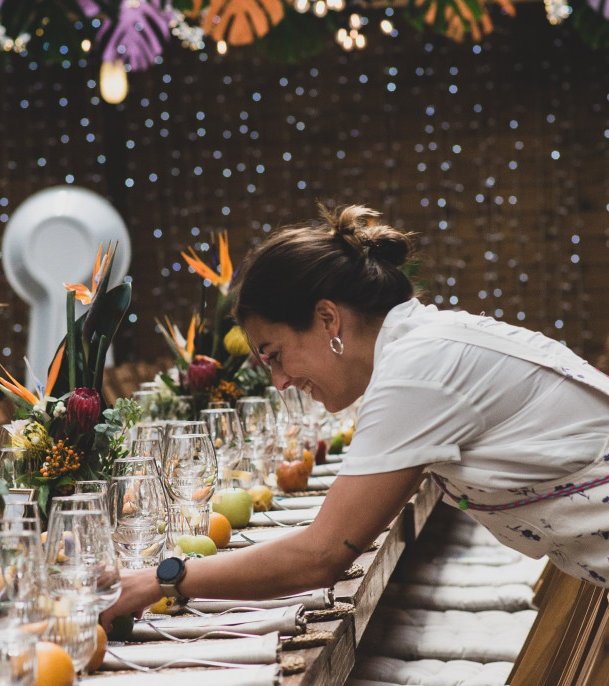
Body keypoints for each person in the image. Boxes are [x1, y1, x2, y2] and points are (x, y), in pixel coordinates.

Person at [101, 203, 609, 629]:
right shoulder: (422, 345)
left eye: (274, 354)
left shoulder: (417, 371)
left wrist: (160, 579)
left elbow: (321, 556)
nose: (278, 382)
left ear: (327, 318)